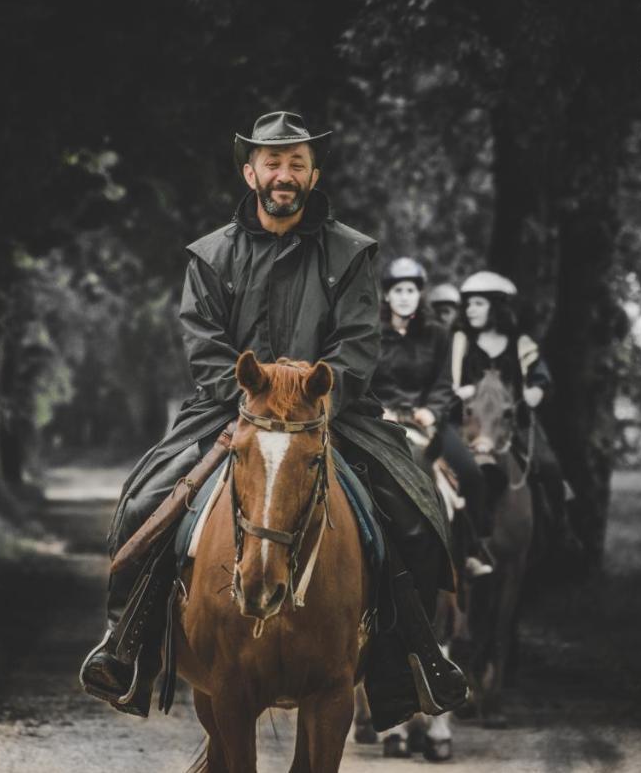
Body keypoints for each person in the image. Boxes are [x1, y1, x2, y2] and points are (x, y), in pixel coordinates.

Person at [79, 111, 468, 720]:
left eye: (296, 163)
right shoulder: (210, 256)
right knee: (142, 502)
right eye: (272, 162)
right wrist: (248, 404)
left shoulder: (353, 252)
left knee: (414, 515)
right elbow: (204, 345)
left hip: (330, 414)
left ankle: (410, 663)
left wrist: (316, 398)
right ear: (249, 171)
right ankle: (126, 649)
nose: (283, 174)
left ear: (313, 175)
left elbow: (360, 342)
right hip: (227, 413)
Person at [370, 257, 493, 578]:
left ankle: (469, 550)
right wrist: (379, 409)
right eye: (398, 290)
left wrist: (432, 410)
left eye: (411, 290)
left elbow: (443, 384)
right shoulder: (369, 334)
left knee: (471, 474)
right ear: (386, 296)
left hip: (426, 421)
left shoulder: (438, 335)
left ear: (419, 294)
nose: (404, 296)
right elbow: (360, 381)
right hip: (380, 421)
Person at [450, 271, 577, 555]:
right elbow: (447, 380)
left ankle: (560, 532)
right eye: (468, 304)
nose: (470, 309)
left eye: (478, 303)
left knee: (549, 466)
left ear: (496, 306)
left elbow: (540, 375)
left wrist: (537, 390)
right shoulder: (460, 342)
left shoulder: (521, 344)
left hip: (514, 423)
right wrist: (458, 392)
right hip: (469, 423)